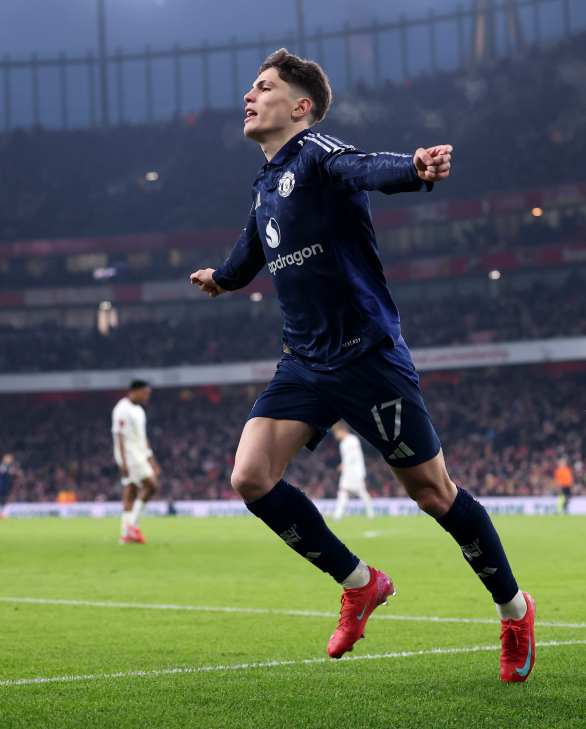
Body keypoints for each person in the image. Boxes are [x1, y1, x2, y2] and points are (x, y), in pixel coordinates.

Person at [189, 49, 535, 682]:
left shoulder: (318, 152)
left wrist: (415, 167)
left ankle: (514, 611)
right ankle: (360, 582)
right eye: (249, 88)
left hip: (366, 357)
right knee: (250, 477)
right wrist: (219, 278)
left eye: (262, 88)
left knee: (434, 494)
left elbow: (364, 167)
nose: (248, 96)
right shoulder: (265, 187)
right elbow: (245, 261)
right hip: (304, 363)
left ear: (300, 106)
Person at [112, 380, 161, 545]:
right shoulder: (122, 409)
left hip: (140, 455)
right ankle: (132, 526)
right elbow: (120, 436)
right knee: (152, 486)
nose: (147, 397)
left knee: (131, 490)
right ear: (136, 391)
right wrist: (123, 462)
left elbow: (143, 438)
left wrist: (151, 460)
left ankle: (126, 533)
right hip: (131, 457)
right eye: (145, 393)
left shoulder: (139, 411)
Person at [331, 423, 375, 521]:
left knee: (361, 492)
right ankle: (337, 515)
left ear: (342, 430)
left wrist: (344, 464)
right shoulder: (343, 443)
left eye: (336, 432)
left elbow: (354, 455)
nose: (335, 435)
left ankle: (371, 513)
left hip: (355, 472)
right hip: (347, 472)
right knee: (342, 491)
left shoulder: (352, 440)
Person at [0, 454, 18, 519]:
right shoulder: (3, 465)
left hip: (5, 484)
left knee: (3, 498)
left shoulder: (9, 466)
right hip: (0, 484)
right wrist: (11, 471)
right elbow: (4, 472)